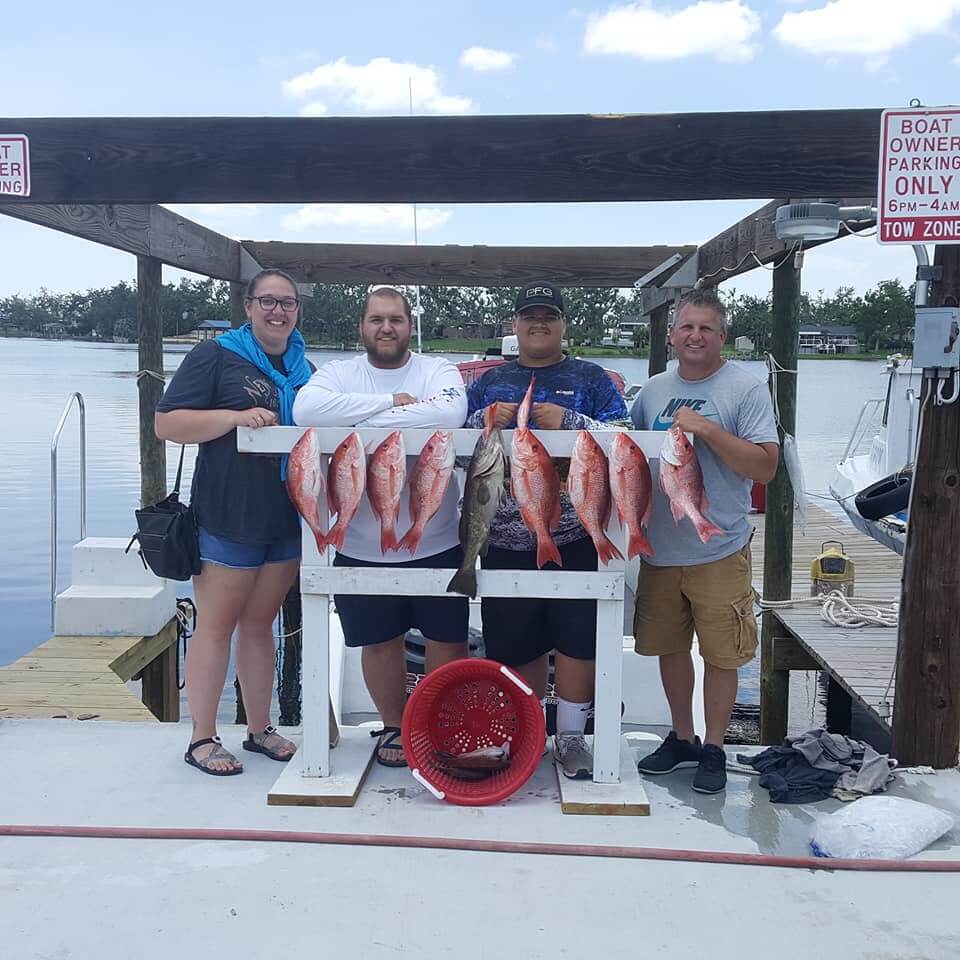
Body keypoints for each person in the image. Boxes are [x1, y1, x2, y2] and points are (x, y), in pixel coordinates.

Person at [292, 285, 469, 767]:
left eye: (395, 319)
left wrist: (362, 418)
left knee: (447, 640)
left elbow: (451, 411)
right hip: (358, 542)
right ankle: (394, 727)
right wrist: (395, 401)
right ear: (362, 326)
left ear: (410, 325)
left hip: (437, 539)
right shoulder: (337, 372)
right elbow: (305, 410)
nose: (386, 328)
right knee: (378, 642)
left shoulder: (436, 370)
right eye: (376, 319)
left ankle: (432, 726)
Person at [464, 282, 628, 780]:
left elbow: (625, 435)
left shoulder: (592, 378)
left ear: (562, 325)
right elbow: (455, 440)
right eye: (530, 315)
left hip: (576, 536)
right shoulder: (490, 381)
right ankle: (529, 730)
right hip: (504, 539)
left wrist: (571, 420)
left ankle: (572, 737)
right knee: (517, 644)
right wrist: (482, 420)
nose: (539, 323)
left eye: (549, 316)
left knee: (577, 641)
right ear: (514, 324)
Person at [155, 268, 314, 775]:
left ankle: (260, 728)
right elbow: (166, 422)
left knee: (260, 625)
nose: (277, 311)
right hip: (227, 515)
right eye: (267, 301)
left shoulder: (304, 367)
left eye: (287, 303)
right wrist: (233, 417)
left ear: (297, 310)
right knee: (216, 625)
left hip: (286, 517)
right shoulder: (216, 355)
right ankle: (202, 737)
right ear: (248, 307)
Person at [630, 288, 779, 794]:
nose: (695, 336)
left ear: (722, 336)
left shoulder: (745, 389)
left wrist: (709, 431)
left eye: (706, 329)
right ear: (672, 334)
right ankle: (683, 738)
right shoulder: (652, 391)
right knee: (669, 648)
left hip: (720, 549)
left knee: (722, 653)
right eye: (687, 327)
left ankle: (714, 746)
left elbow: (766, 467)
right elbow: (630, 455)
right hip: (660, 549)